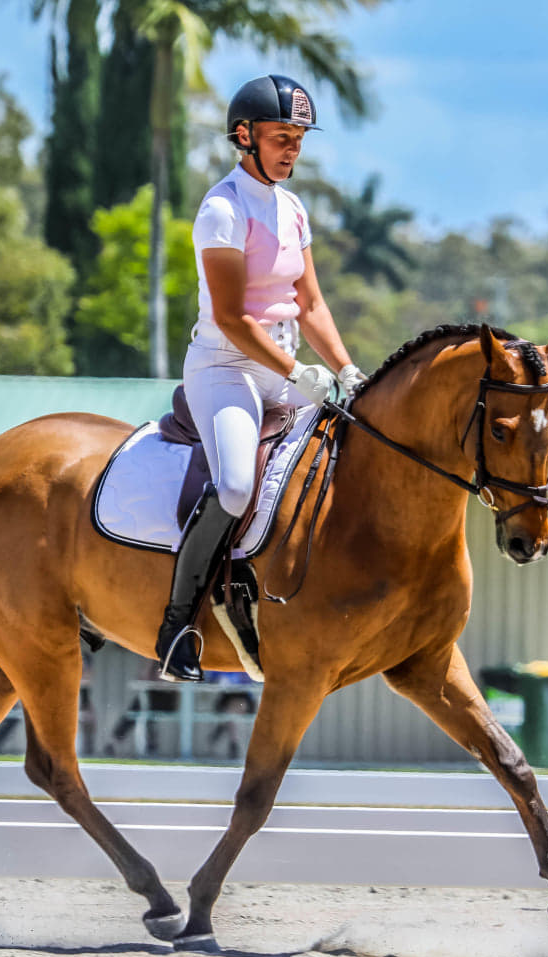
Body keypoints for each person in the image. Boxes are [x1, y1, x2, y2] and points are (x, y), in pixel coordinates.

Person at [154, 73, 362, 683]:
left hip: (285, 366)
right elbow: (231, 316)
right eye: (280, 137)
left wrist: (348, 370)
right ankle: (178, 624)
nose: (292, 149)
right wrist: (299, 371)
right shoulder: (223, 208)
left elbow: (312, 305)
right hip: (226, 366)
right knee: (240, 486)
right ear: (244, 137)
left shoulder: (293, 209)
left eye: (298, 137)